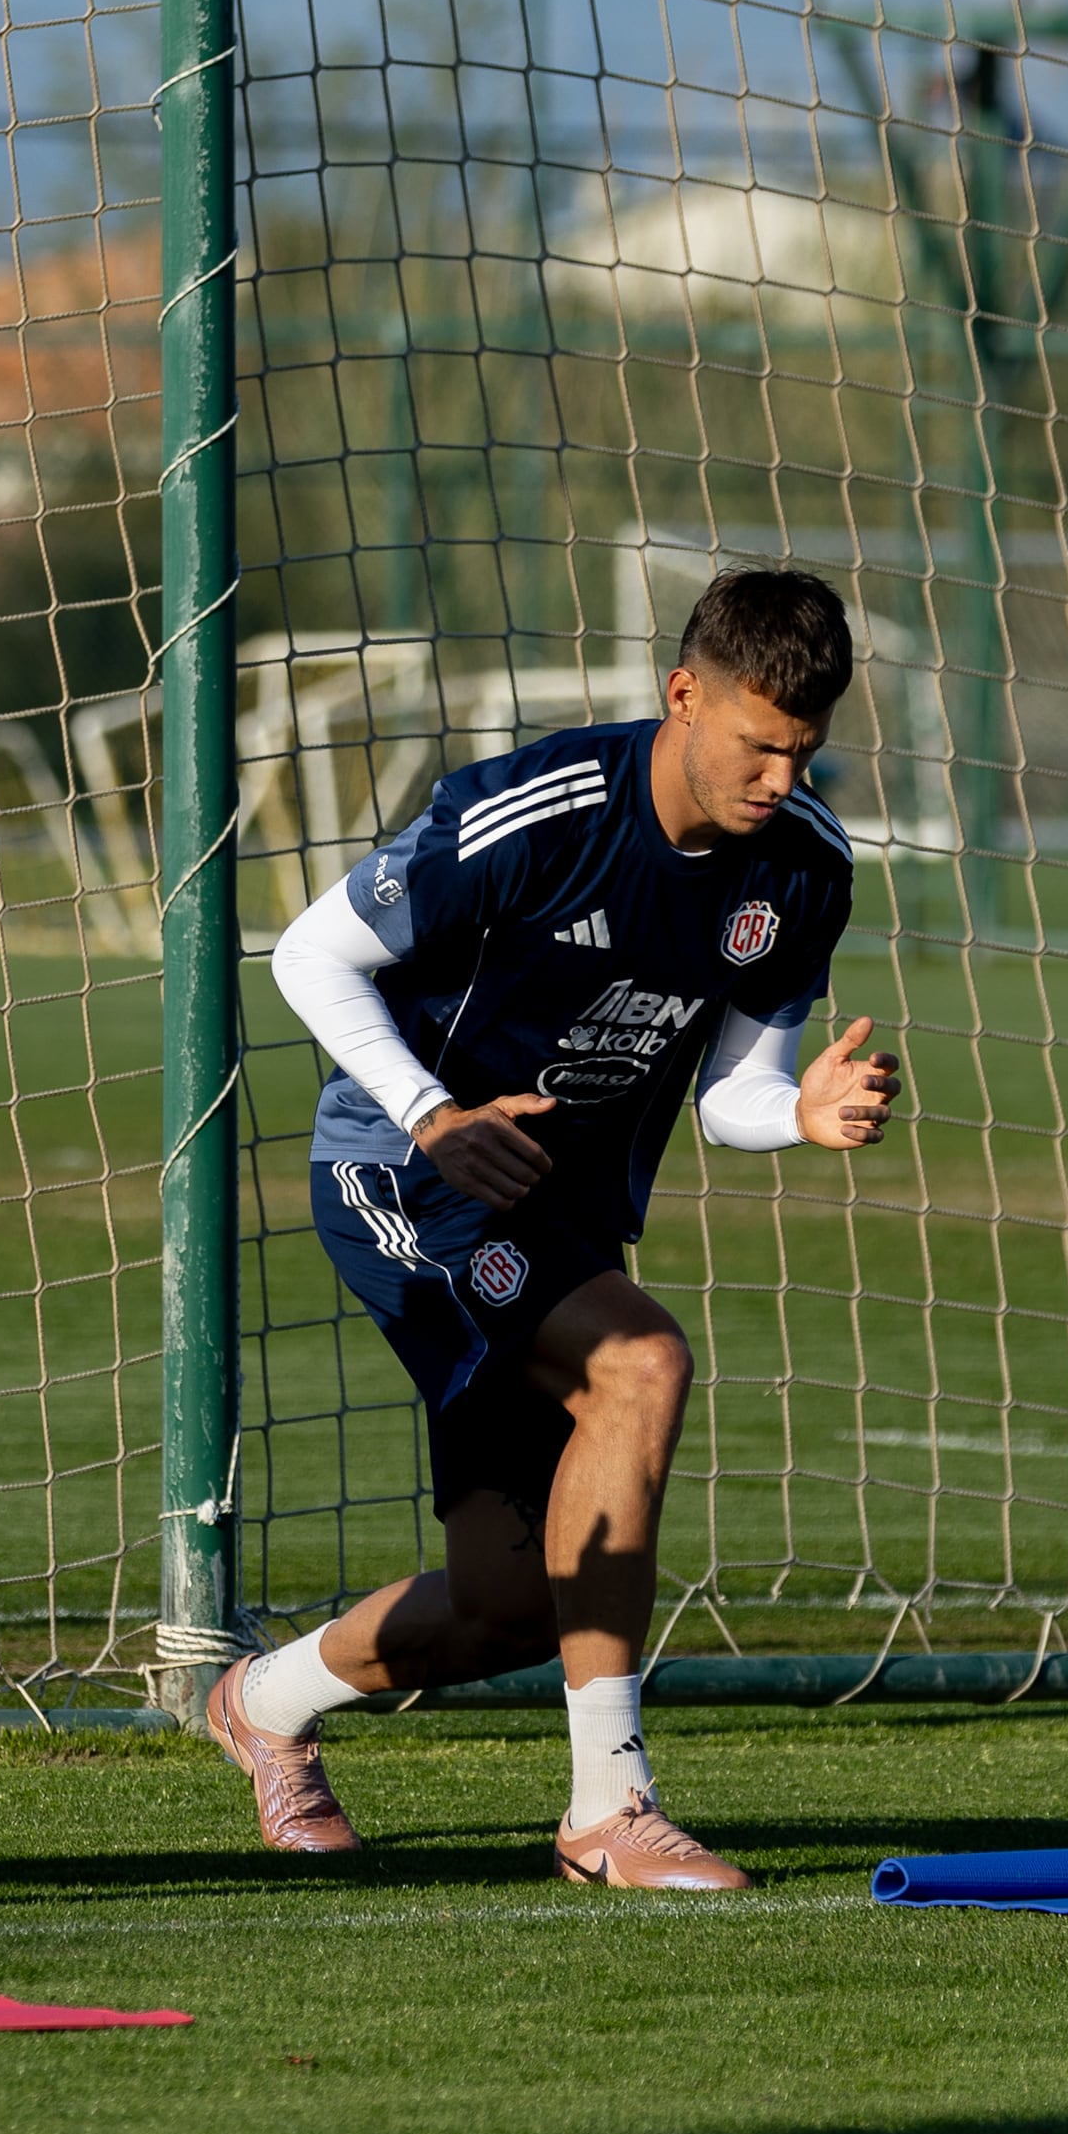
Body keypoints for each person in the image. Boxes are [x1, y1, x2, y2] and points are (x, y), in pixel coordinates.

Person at [202, 566, 900, 1891]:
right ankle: (608, 1810)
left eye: (803, 753)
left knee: (513, 1605)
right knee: (640, 1362)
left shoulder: (803, 870)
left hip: (554, 1215)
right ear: (682, 693)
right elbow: (308, 951)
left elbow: (737, 1092)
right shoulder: (538, 811)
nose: (777, 779)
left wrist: (801, 1113)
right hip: (402, 1175)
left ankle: (266, 1703)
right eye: (757, 745)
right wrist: (431, 1114)